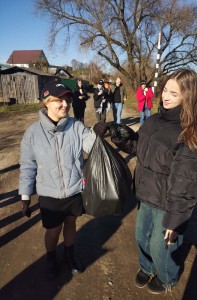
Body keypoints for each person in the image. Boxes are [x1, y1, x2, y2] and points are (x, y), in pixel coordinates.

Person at [108, 69, 197, 294]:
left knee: (162, 245)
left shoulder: (189, 134)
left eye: (174, 94)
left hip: (166, 203)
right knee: (141, 237)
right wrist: (118, 134)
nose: (166, 96)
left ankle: (168, 277)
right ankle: (146, 266)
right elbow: (139, 148)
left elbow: (186, 181)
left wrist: (175, 220)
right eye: (165, 90)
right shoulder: (154, 120)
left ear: (188, 97)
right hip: (145, 195)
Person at [19, 80, 106, 280]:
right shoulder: (32, 133)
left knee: (70, 224)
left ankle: (69, 254)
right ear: (46, 102)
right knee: (53, 230)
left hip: (75, 190)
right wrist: (25, 195)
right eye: (59, 100)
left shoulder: (76, 126)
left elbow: (90, 146)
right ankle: (51, 257)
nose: (65, 104)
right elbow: (27, 165)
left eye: (67, 99)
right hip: (50, 194)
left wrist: (97, 134)